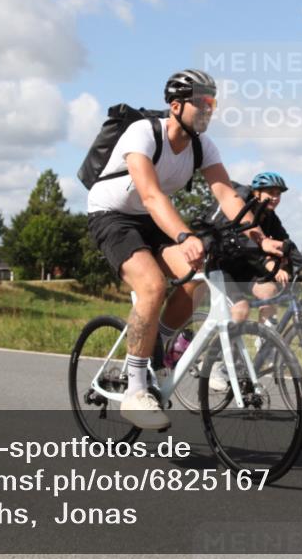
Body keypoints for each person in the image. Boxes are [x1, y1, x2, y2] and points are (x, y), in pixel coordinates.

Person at [86, 69, 284, 430]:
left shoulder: (202, 146)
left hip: (152, 219)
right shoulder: (143, 133)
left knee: (199, 275)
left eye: (214, 103)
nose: (209, 109)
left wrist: (259, 236)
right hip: (112, 216)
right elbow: (150, 194)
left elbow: (226, 194)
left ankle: (159, 344)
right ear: (176, 106)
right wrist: (183, 236)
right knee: (152, 286)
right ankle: (135, 391)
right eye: (202, 103)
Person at [206, 171, 302, 389]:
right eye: (270, 192)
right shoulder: (240, 209)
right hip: (221, 266)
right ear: (256, 193)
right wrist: (268, 263)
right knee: (241, 310)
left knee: (268, 291)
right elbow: (238, 241)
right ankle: (217, 364)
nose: (275, 197)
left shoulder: (270, 218)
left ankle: (266, 339)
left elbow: (287, 245)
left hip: (244, 269)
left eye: (278, 194)